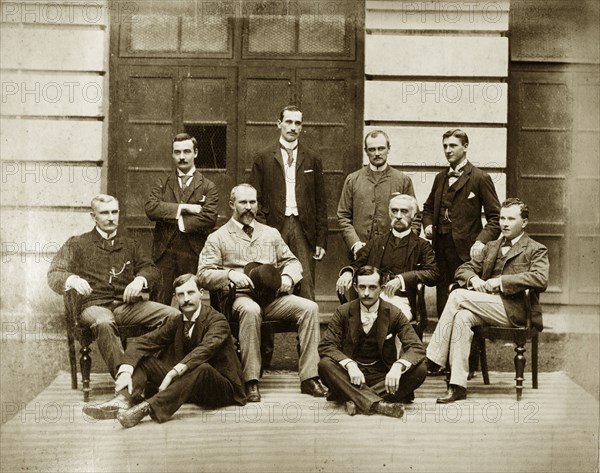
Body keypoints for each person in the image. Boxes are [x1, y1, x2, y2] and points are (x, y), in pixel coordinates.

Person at [197, 183, 327, 402]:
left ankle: (309, 377)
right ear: (231, 204)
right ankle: (251, 380)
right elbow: (203, 274)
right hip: (240, 297)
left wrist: (288, 277)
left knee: (309, 308)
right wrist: (229, 275)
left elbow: (293, 261)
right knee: (250, 310)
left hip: (273, 298)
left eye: (252, 202)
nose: (249, 207)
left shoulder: (270, 233)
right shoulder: (218, 237)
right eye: (243, 202)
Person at [426, 198, 549, 403]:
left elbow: (540, 278)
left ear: (524, 222)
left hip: (516, 311)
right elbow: (463, 269)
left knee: (457, 295)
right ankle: (457, 385)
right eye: (501, 218)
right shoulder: (491, 246)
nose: (504, 223)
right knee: (462, 317)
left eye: (511, 218)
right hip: (487, 307)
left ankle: (433, 359)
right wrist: (473, 279)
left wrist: (500, 282)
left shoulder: (535, 249)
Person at [83, 274, 246, 428]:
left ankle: (146, 408)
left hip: (222, 389)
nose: (186, 299)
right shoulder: (176, 321)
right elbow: (143, 343)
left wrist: (172, 373)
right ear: (176, 297)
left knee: (203, 368)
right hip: (187, 385)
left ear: (201, 293)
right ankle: (123, 400)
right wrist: (125, 370)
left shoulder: (217, 320)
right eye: (181, 295)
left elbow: (204, 351)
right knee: (144, 360)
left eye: (190, 293)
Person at [47, 194, 179, 378]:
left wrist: (139, 280)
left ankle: (152, 371)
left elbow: (151, 269)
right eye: (104, 213)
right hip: (93, 306)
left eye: (114, 212)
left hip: (127, 306)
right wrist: (73, 280)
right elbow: (54, 274)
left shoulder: (130, 244)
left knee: (174, 316)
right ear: (93, 216)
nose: (111, 217)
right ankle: (124, 382)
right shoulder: (77, 243)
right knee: (104, 322)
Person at [319, 266, 427, 418]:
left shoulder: (394, 313)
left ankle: (356, 399)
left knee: (420, 369)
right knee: (325, 365)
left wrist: (398, 366)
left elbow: (416, 347)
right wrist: (349, 364)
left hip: (382, 375)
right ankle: (379, 405)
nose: (366, 293)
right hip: (351, 376)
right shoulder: (343, 311)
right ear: (355, 287)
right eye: (362, 287)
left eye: (372, 287)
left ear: (382, 288)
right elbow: (326, 345)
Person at [249, 105, 328, 301]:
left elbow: (320, 201)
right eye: (289, 122)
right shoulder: (263, 157)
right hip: (275, 225)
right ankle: (270, 331)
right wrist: (261, 230)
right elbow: (254, 198)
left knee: (306, 282)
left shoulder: (312, 159)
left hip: (304, 228)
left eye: (297, 123)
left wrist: (321, 239)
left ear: (301, 127)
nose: (293, 127)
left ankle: (306, 331)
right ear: (279, 124)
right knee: (270, 279)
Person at [422, 129, 501, 318]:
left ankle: (473, 349)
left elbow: (496, 219)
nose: (448, 150)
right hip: (441, 251)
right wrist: (427, 225)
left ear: (465, 147)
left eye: (453, 146)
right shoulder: (440, 178)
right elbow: (427, 208)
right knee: (443, 302)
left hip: (467, 253)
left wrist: (481, 242)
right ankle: (445, 347)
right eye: (445, 146)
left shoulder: (480, 178)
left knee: (468, 304)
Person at [336, 194, 438, 321]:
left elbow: (432, 274)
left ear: (414, 215)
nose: (399, 216)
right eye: (394, 211)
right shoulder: (377, 242)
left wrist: (402, 280)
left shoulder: (422, 246)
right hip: (373, 297)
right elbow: (358, 263)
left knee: (385, 321)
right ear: (390, 214)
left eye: (404, 211)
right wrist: (347, 272)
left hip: (403, 301)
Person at [145, 132, 218, 305]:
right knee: (159, 303)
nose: (182, 157)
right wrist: (185, 208)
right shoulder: (162, 182)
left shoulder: (208, 186)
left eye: (187, 151)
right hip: (164, 252)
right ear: (172, 154)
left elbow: (209, 217)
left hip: (192, 251)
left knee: (190, 301)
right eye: (177, 152)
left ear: (196, 153)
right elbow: (151, 208)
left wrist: (173, 216)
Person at [337, 130, 421, 260]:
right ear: (366, 151)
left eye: (381, 148)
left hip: (394, 253)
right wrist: (355, 243)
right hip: (360, 252)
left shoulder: (402, 180)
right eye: (372, 149)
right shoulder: (353, 180)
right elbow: (343, 216)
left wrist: (405, 246)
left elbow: (415, 217)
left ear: (389, 149)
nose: (377, 153)